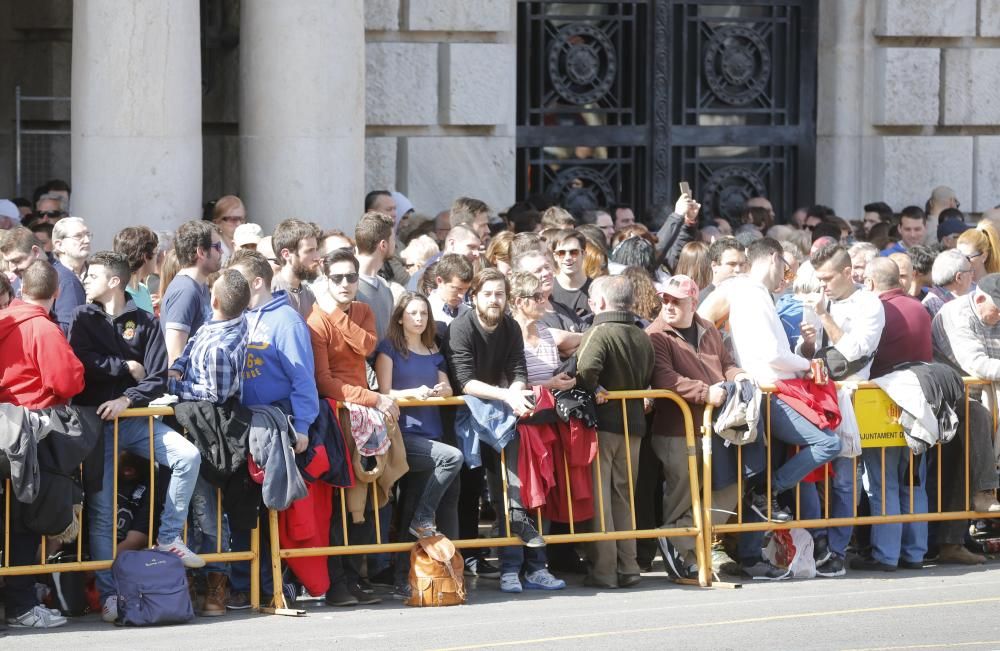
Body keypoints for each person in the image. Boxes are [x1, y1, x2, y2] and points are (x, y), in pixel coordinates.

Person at [68, 251, 206, 622]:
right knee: (100, 513)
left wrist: (127, 397)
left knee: (187, 456)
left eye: (92, 275)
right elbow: (80, 362)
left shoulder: (145, 320)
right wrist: (123, 366)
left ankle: (169, 536)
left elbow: (158, 375)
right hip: (95, 426)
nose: (85, 280)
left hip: (135, 420)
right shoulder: (82, 317)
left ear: (114, 281)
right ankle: (109, 596)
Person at [726, 238, 842, 576]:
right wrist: (807, 365)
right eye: (785, 268)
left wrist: (800, 356)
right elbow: (771, 353)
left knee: (760, 475)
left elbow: (772, 351)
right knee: (827, 443)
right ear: (774, 258)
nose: (785, 276)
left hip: (769, 389)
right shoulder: (753, 295)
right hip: (771, 391)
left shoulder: (753, 294)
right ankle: (769, 491)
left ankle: (750, 553)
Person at [226, 249, 316, 609]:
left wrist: (304, 427)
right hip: (241, 421)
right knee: (243, 508)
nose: (230, 288)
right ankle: (245, 583)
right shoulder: (239, 317)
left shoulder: (286, 321)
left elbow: (303, 379)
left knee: (269, 510)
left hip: (276, 423)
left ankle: (269, 585)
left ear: (257, 282)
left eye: (237, 280)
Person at [308, 248, 396, 607]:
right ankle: (337, 583)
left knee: (366, 496)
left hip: (362, 415)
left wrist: (339, 312)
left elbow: (366, 345)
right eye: (337, 278)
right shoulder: (316, 321)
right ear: (325, 280)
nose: (345, 284)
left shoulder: (362, 310)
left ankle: (355, 575)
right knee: (340, 500)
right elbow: (324, 381)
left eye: (351, 277)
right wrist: (372, 398)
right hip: (335, 415)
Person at [444, 269, 548, 568]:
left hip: (496, 406)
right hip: (463, 411)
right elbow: (465, 381)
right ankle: (469, 553)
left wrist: (516, 391)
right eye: (488, 294)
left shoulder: (511, 326)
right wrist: (507, 396)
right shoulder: (460, 328)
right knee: (468, 486)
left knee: (501, 474)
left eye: (499, 294)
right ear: (473, 297)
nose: (494, 299)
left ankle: (516, 521)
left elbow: (518, 369)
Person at [0, 260, 84, 629]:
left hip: (7, 429)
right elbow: (68, 382)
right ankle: (19, 607)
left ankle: (17, 604)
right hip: (26, 435)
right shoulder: (40, 328)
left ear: (19, 289)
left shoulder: (7, 319)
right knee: (24, 523)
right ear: (57, 292)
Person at [646, 274, 744, 579]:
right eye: (665, 299)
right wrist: (706, 392)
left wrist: (738, 375)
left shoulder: (707, 327)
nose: (669, 305)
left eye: (676, 300)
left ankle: (675, 536)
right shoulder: (656, 334)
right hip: (677, 429)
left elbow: (725, 362)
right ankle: (683, 555)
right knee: (682, 495)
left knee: (733, 486)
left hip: (715, 426)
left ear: (693, 302)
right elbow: (664, 378)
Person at [165, 268, 250, 615]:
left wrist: (175, 388)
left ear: (213, 300)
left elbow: (211, 393)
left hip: (211, 429)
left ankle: (217, 581)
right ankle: (202, 582)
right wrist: (176, 369)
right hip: (199, 424)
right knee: (200, 509)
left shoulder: (220, 344)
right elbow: (186, 355)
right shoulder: (213, 327)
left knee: (208, 510)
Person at [797, 244, 884, 577]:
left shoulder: (869, 304)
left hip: (849, 399)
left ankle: (837, 549)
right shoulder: (822, 298)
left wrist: (823, 316)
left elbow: (854, 352)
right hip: (814, 396)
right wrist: (806, 341)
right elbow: (807, 353)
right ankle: (816, 544)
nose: (823, 285)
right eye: (819, 278)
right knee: (810, 474)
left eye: (828, 278)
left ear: (848, 273)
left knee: (845, 483)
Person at [374, 292, 463, 599]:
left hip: (433, 432)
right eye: (412, 313)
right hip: (403, 437)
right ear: (400, 317)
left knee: (412, 503)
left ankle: (408, 575)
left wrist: (441, 389)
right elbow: (385, 392)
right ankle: (422, 519)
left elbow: (449, 386)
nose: (419, 318)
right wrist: (415, 393)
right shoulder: (389, 349)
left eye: (423, 313)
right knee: (452, 458)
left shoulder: (433, 348)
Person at [575, 275, 654, 589]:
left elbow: (584, 371)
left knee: (601, 497)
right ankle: (629, 565)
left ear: (602, 303)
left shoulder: (600, 331)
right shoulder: (642, 335)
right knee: (624, 497)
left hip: (603, 426)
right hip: (634, 426)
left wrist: (594, 389)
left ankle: (605, 570)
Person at [863, 257, 932, 571]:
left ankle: (887, 555)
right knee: (914, 482)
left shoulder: (879, 311)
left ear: (872, 283)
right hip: (921, 408)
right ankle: (915, 553)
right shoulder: (919, 307)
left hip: (883, 406)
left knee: (884, 483)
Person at [930, 274, 1000, 563]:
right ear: (981, 299)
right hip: (949, 392)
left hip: (984, 390)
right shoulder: (956, 314)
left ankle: (952, 543)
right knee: (978, 416)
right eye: (998, 311)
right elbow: (977, 364)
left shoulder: (990, 310)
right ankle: (985, 490)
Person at [160, 220, 223, 364]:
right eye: (217, 247)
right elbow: (174, 356)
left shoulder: (199, 286)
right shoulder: (185, 291)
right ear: (201, 252)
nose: (222, 251)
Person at [354, 210, 397, 342]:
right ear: (383, 245)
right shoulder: (347, 286)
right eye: (393, 240)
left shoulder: (384, 286)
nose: (395, 245)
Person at [272, 218, 322, 320]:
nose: (317, 257)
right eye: (309, 251)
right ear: (286, 254)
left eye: (316, 250)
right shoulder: (270, 294)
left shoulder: (309, 295)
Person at [50, 217, 91, 333]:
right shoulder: (54, 277)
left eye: (88, 234)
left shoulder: (97, 274)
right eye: (78, 236)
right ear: (59, 245)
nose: (87, 240)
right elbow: (68, 329)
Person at [113, 226, 159, 314]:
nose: (156, 258)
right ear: (145, 257)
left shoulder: (144, 289)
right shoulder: (118, 295)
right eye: (156, 252)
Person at [550, 230, 591, 319]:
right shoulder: (546, 291)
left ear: (583, 254)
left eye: (574, 252)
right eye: (561, 253)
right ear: (555, 256)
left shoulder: (596, 289)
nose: (568, 257)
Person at [923, 249, 975, 318]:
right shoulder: (937, 307)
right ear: (959, 277)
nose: (972, 275)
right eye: (970, 271)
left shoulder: (953, 298)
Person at [699, 237, 746, 304]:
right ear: (714, 266)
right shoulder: (702, 300)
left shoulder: (747, 297)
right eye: (732, 264)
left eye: (741, 264)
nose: (738, 270)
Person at [210, 195, 247, 263]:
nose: (239, 224)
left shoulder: (249, 245)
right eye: (233, 219)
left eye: (242, 219)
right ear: (217, 223)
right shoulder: (211, 250)